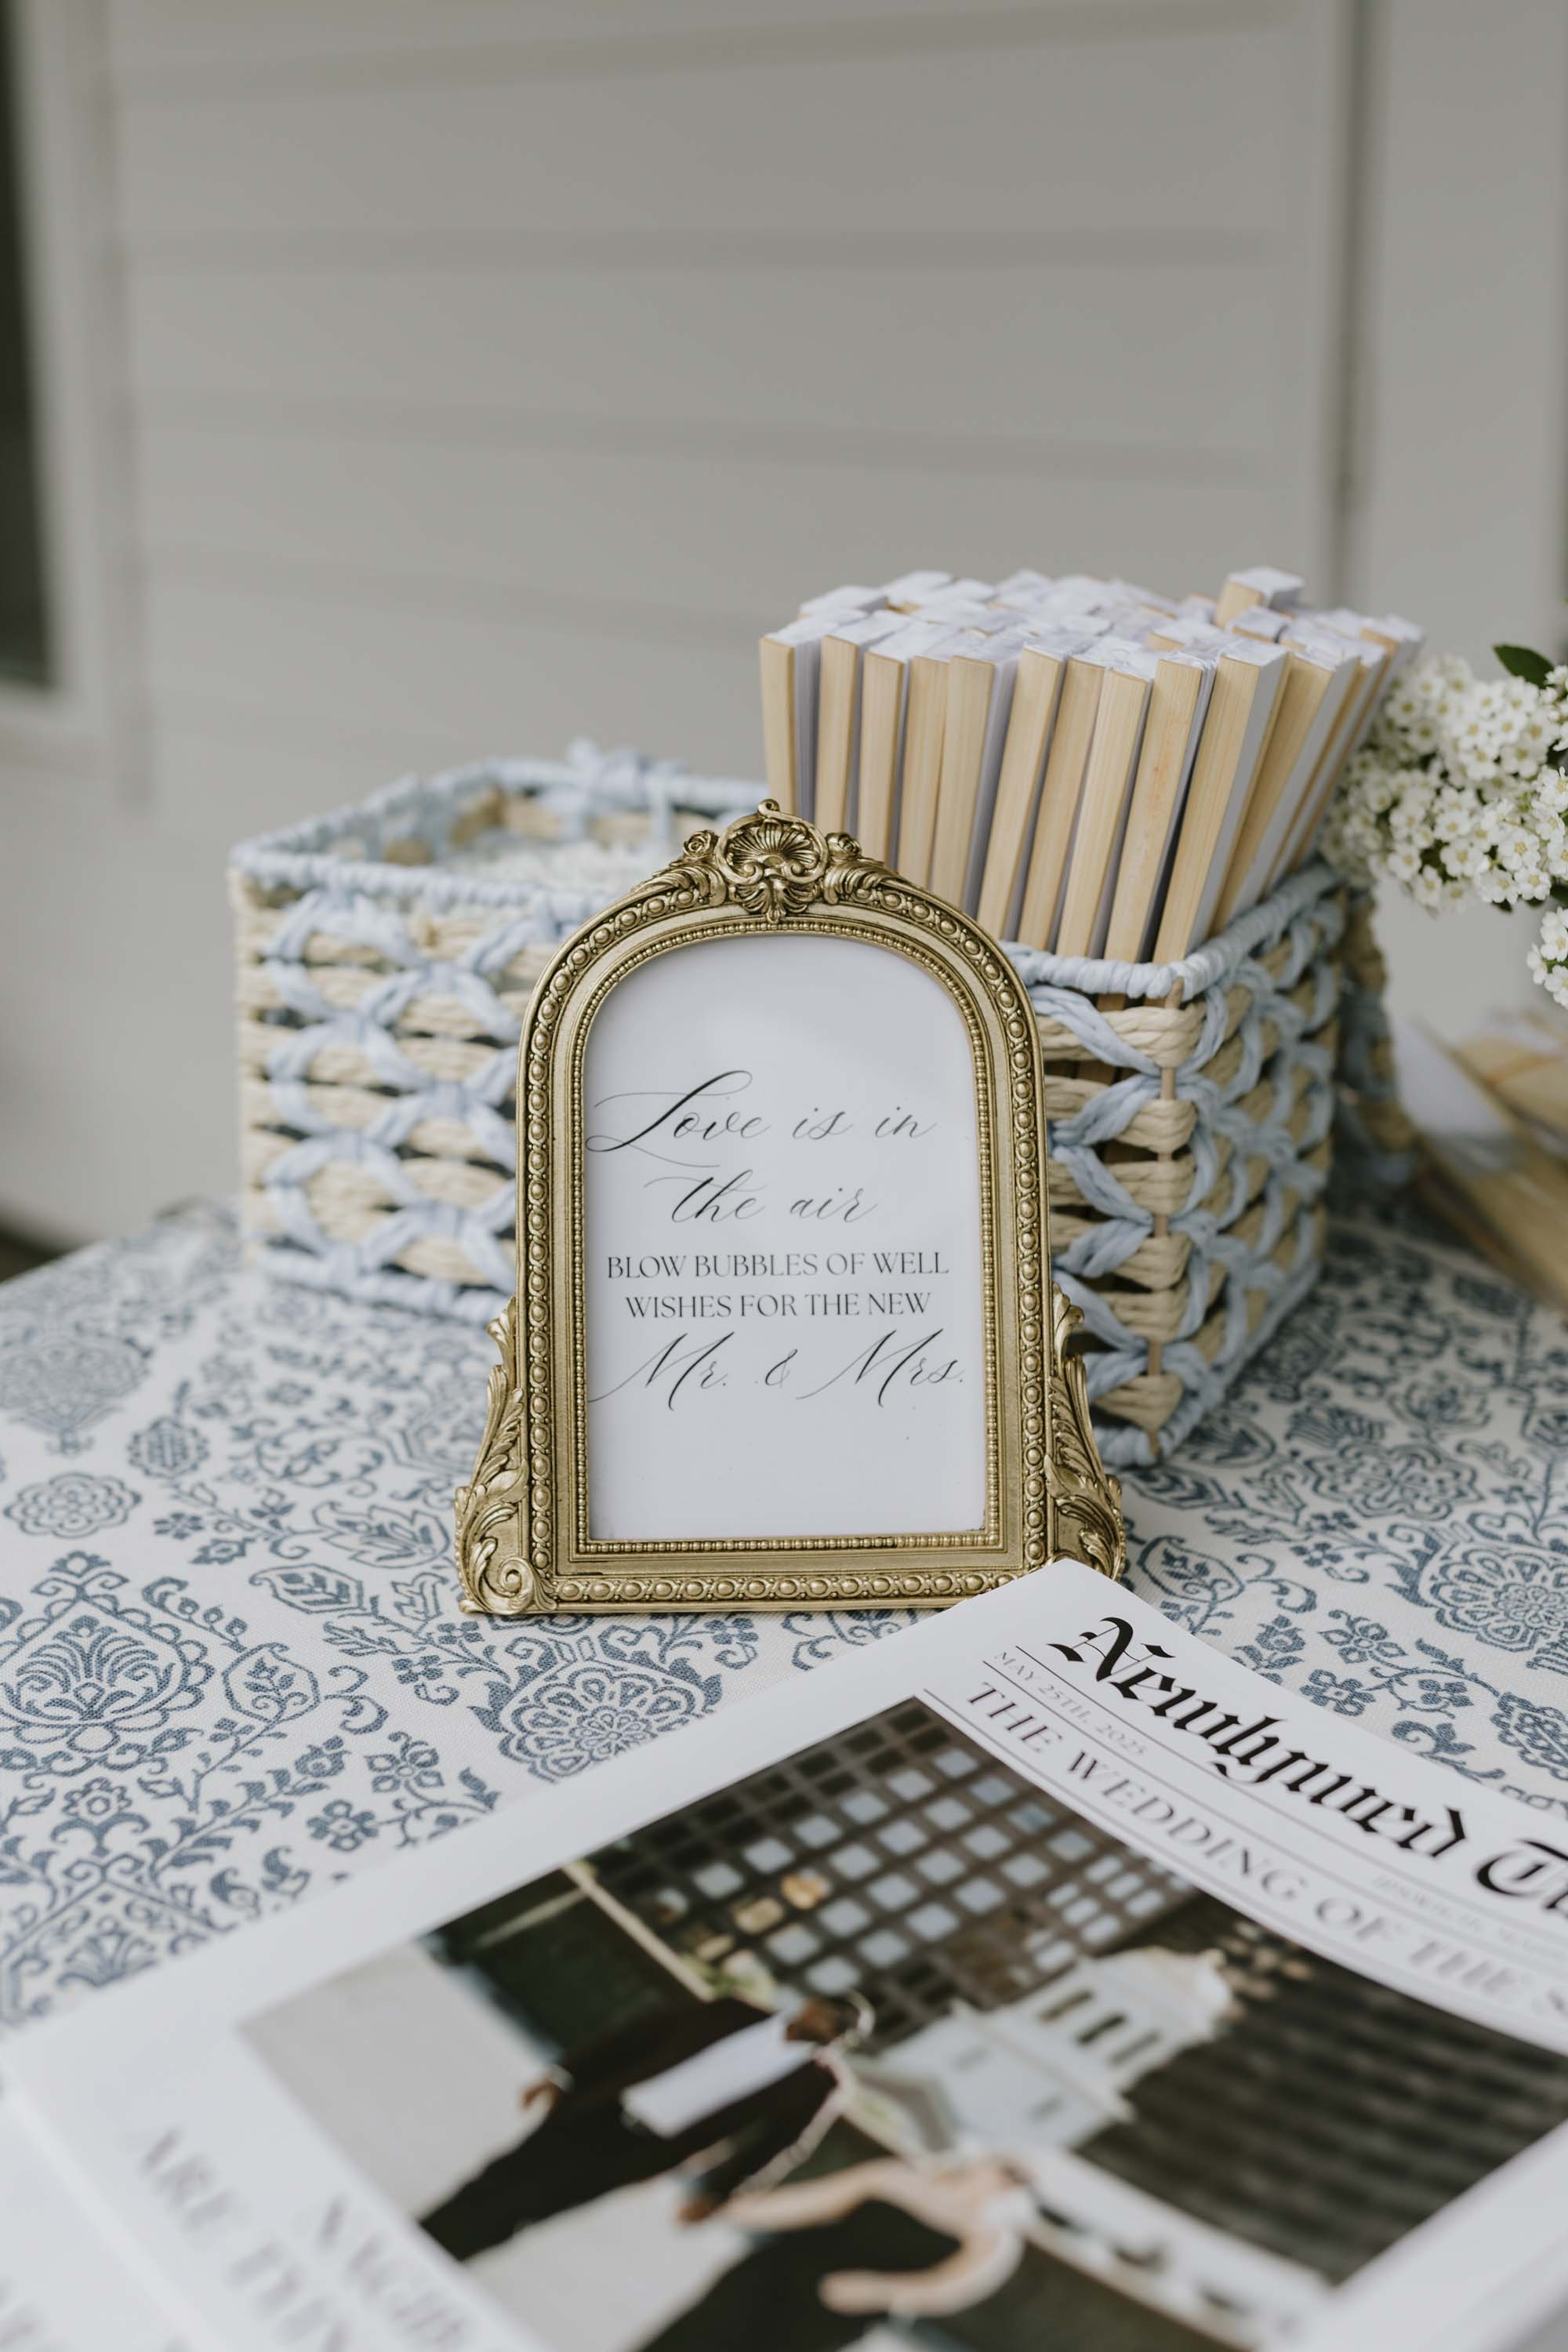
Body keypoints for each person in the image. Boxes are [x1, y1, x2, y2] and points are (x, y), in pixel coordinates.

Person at [420, 1990, 868, 2261]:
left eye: (845, 2031)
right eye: (833, 2015)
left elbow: (782, 2146)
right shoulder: (732, 2012)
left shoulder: (818, 2085)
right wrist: (562, 2074)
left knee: (537, 2206)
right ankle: (419, 2236)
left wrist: (720, 2194)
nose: (833, 2029)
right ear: (812, 2003)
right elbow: (637, 2035)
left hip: (645, 2151)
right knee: (502, 2175)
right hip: (599, 2109)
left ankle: (445, 2260)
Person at [635, 2154, 1036, 2352]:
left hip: (835, 2312)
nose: (1002, 2180)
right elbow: (810, 2202)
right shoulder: (894, 2177)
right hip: (777, 2272)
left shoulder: (992, 2239)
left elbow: (950, 2290)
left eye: (1015, 2181)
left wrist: (875, 2291)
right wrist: (727, 2210)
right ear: (985, 2161)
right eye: (1004, 2169)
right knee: (691, 2339)